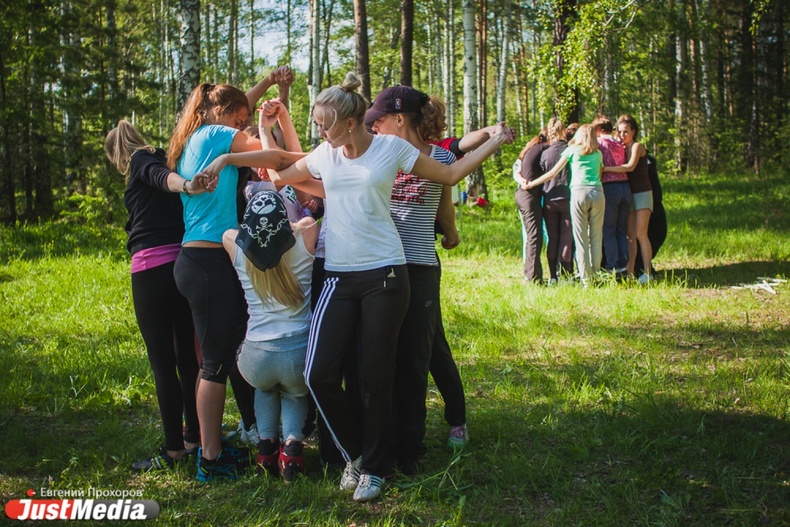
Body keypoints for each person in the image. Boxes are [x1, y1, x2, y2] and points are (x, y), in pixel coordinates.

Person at [198, 72, 513, 501]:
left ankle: (375, 469)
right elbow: (279, 165)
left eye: (324, 125)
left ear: (350, 123)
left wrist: (495, 141)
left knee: (375, 379)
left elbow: (451, 173)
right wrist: (226, 159)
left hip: (386, 274)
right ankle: (356, 455)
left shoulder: (390, 149)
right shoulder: (327, 155)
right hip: (339, 276)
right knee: (317, 373)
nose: (319, 133)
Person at [166, 82, 304, 482]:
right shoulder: (215, 134)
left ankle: (216, 446)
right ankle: (210, 460)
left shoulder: (194, 137)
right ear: (220, 112)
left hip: (198, 259)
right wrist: (319, 157)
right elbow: (274, 156)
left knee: (216, 359)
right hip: (207, 260)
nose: (241, 125)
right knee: (214, 364)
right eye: (239, 118)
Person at [365, 86, 461, 475]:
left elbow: (444, 204)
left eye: (380, 120)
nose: (374, 127)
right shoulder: (378, 153)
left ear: (400, 119)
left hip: (420, 265)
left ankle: (411, 450)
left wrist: (451, 233)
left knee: (416, 357)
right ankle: (385, 442)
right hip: (382, 264)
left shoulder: (441, 157)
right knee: (385, 355)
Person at [104, 120, 209, 472]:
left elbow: (162, 179)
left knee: (163, 364)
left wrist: (187, 186)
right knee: (187, 358)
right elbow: (165, 180)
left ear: (116, 153)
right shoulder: (167, 157)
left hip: (151, 271)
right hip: (180, 265)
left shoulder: (141, 160)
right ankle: (194, 438)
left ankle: (174, 449)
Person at [223, 190, 318, 483]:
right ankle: (292, 450)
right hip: (298, 353)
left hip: (256, 357)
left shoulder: (239, 251)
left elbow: (229, 233)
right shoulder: (303, 239)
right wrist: (287, 226)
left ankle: (266, 448)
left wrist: (256, 232)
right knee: (294, 392)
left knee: (265, 389)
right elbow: (308, 222)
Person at [526, 124, 604, 284]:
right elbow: (600, 173)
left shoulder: (572, 150)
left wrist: (532, 184)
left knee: (580, 239)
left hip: (578, 192)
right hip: (598, 192)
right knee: (596, 238)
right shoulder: (598, 153)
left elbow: (552, 173)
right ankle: (595, 274)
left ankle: (585, 279)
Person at [605, 114, 653, 283]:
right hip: (629, 193)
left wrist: (607, 169)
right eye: (619, 131)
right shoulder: (620, 147)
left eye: (626, 131)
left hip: (642, 193)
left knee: (641, 234)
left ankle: (648, 272)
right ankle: (630, 271)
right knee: (630, 235)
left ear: (633, 131)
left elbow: (630, 167)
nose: (622, 135)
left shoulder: (637, 147)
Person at [593, 116, 629, 274]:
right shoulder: (618, 142)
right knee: (621, 228)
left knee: (608, 229)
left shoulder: (600, 143)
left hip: (609, 187)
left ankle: (613, 266)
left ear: (598, 130)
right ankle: (624, 263)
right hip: (625, 186)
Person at [539, 118, 574, 283]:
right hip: (567, 197)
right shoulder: (570, 150)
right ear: (564, 131)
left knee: (553, 238)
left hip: (549, 198)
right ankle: (566, 275)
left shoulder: (545, 153)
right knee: (567, 237)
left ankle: (553, 276)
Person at [513, 130, 549, 282]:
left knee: (532, 235)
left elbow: (517, 170)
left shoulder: (531, 148)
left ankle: (532, 274)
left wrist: (521, 180)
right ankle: (531, 276)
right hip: (529, 195)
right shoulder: (544, 148)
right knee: (535, 236)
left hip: (523, 194)